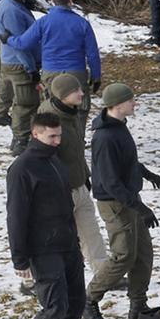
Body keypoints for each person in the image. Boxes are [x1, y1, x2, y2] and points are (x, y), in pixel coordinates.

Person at [7, 113, 98, 319]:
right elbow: (16, 216)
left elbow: (65, 208)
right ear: (36, 134)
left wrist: (77, 244)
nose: (57, 141)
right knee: (55, 307)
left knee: (75, 302)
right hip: (42, 251)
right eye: (52, 136)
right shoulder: (23, 168)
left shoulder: (55, 161)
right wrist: (20, 258)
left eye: (59, 136)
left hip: (67, 246)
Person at [84, 84, 160, 319]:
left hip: (128, 198)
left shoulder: (118, 127)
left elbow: (125, 162)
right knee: (123, 256)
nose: (135, 104)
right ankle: (89, 300)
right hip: (115, 204)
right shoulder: (105, 137)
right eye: (131, 100)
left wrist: (144, 172)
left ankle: (138, 305)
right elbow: (110, 182)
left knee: (143, 255)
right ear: (118, 105)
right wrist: (140, 208)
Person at [4, 0, 102, 135]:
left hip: (51, 73)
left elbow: (23, 43)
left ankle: (52, 140)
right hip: (76, 73)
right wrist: (96, 76)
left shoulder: (44, 22)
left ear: (52, 0)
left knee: (51, 109)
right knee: (79, 111)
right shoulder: (82, 23)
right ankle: (77, 141)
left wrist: (8, 39)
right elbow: (93, 54)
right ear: (70, 0)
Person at [38, 74, 109, 275]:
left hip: (79, 184)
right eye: (75, 91)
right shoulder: (49, 120)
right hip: (60, 191)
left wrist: (85, 176)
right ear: (62, 95)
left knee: (90, 232)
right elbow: (44, 158)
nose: (81, 93)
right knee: (53, 236)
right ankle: (33, 278)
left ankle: (103, 275)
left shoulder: (72, 113)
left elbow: (76, 151)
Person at [0, 0, 40, 155]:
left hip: (12, 62)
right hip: (19, 63)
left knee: (24, 102)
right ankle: (21, 141)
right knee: (26, 103)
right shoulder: (11, 9)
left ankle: (21, 138)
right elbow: (19, 44)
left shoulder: (13, 3)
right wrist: (31, 68)